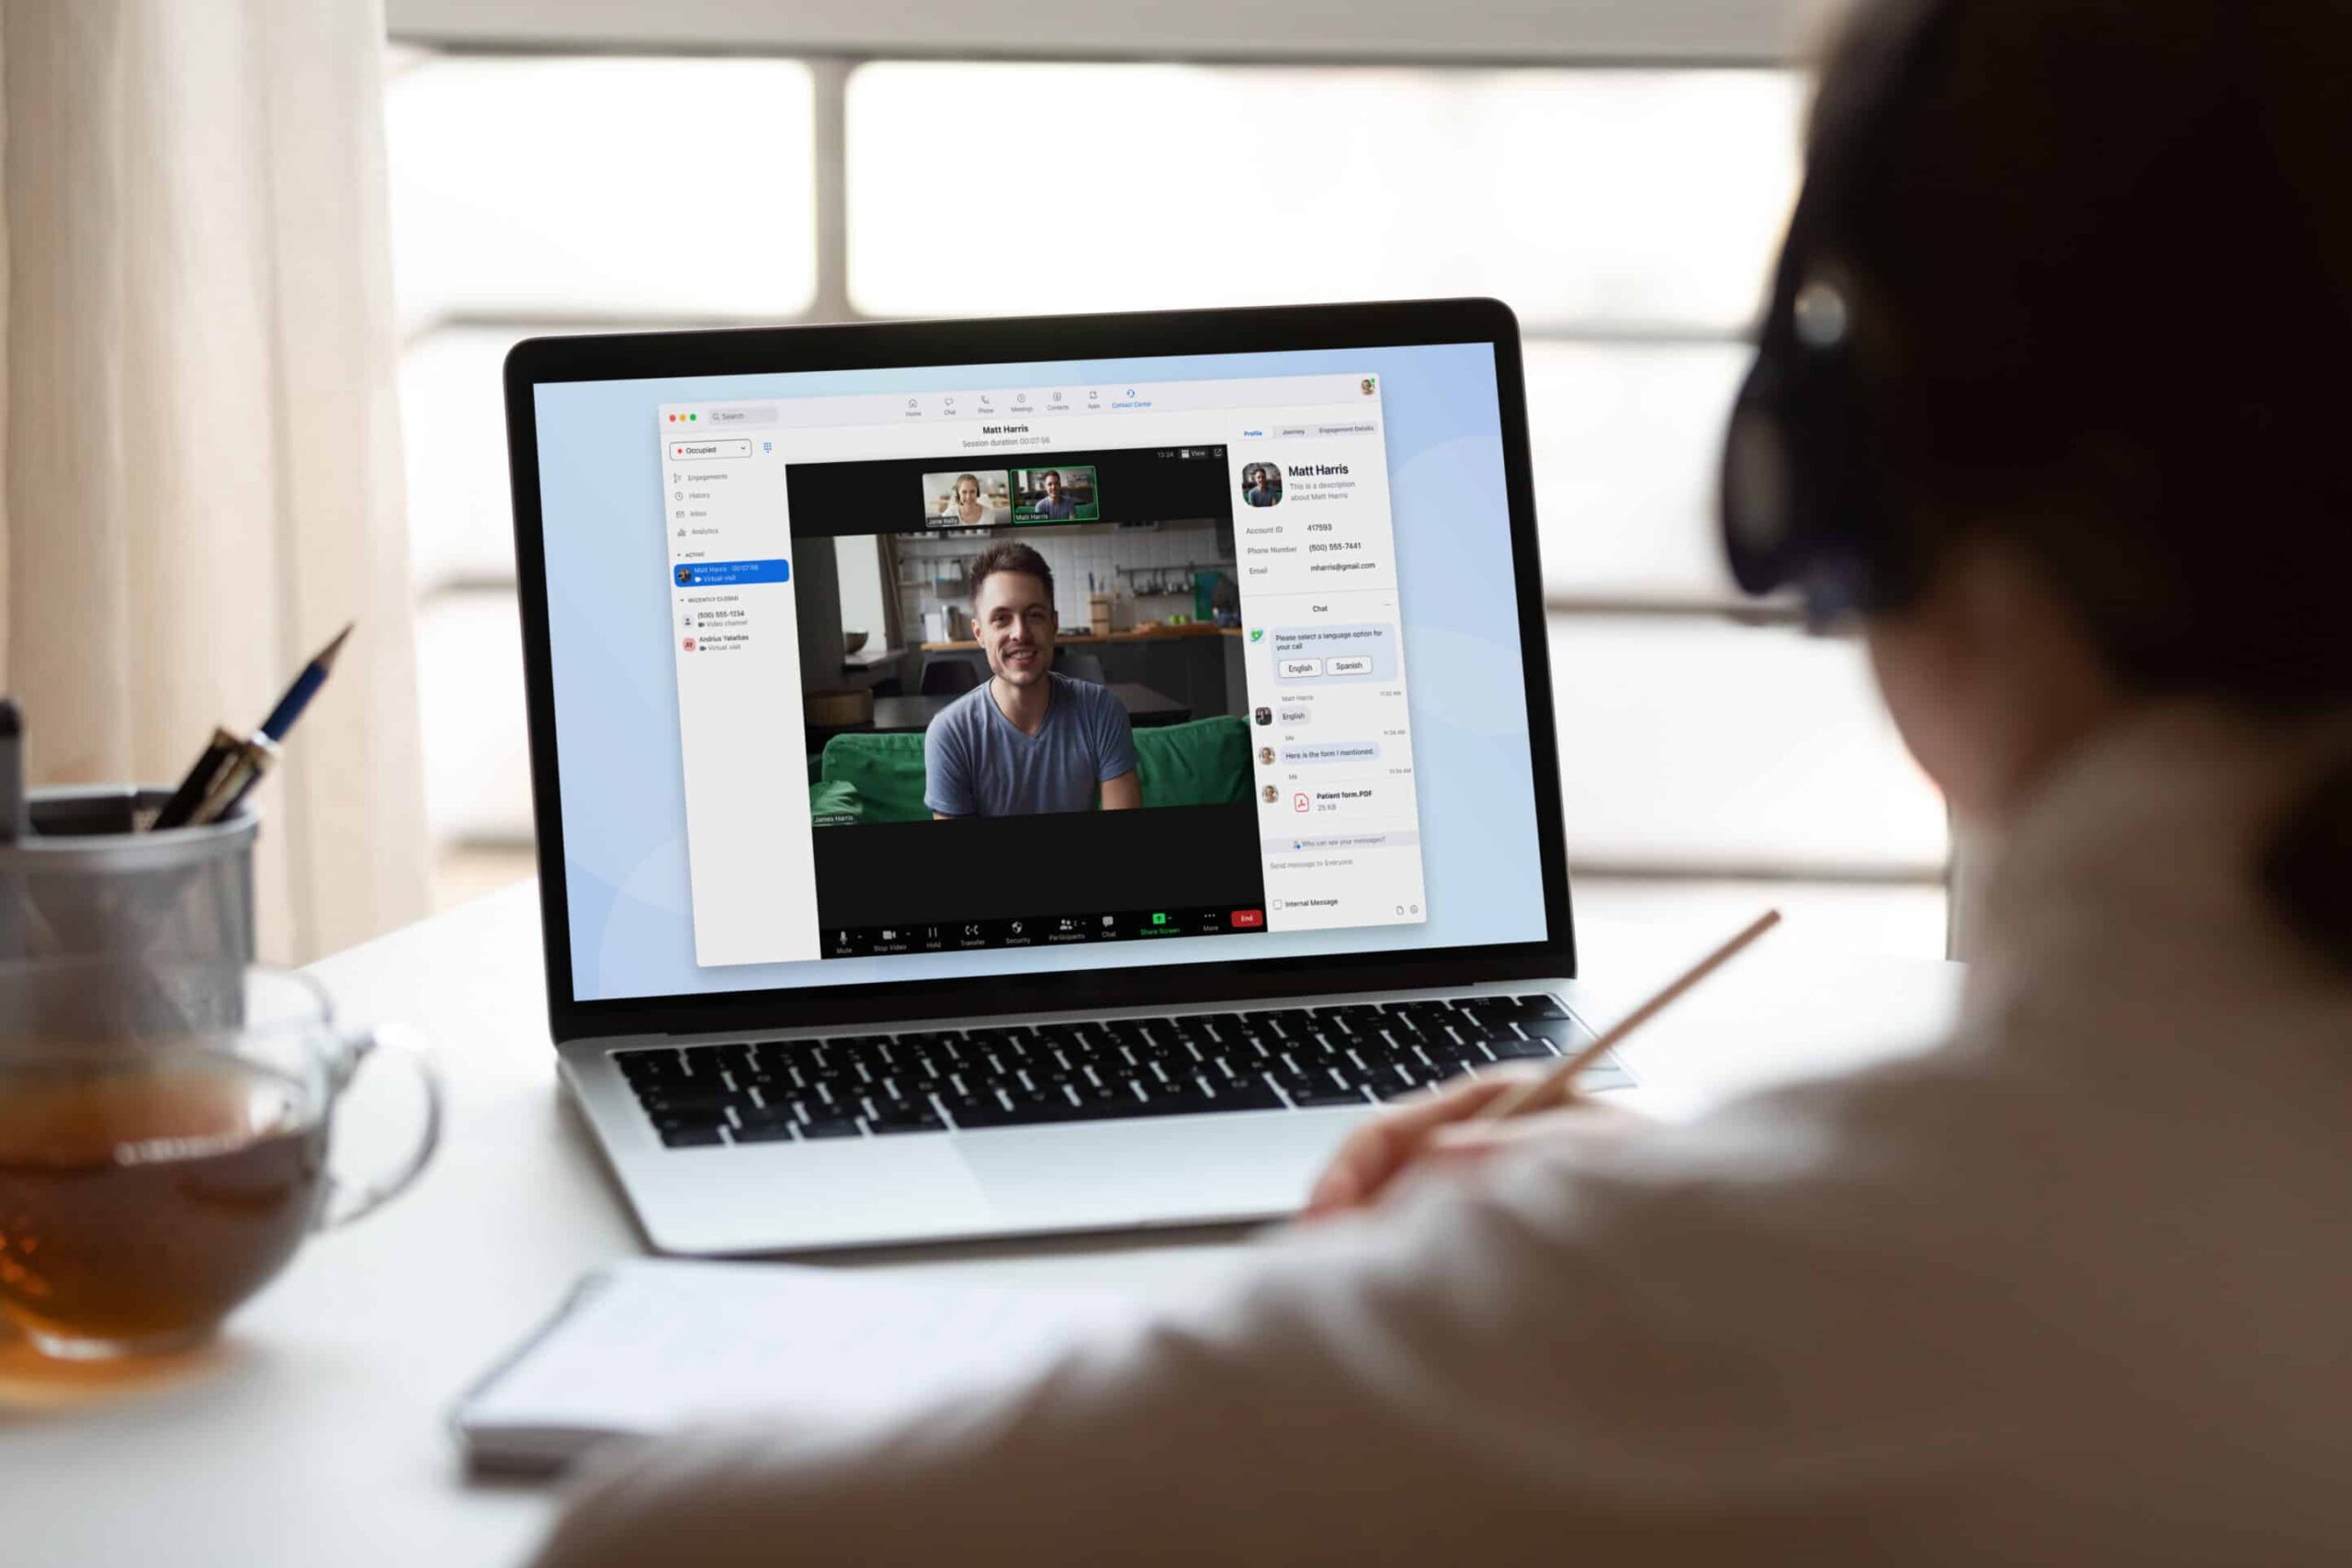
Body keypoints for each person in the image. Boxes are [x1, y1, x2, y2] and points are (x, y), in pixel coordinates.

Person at [535, 3, 2352, 1562]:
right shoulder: (1814, 1271)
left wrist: (1538, 1281)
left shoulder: (1712, 1302)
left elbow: (654, 1542)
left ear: (1848, 479)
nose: (1011, 641)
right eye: (989, 620)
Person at [922, 542, 1138, 818]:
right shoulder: (949, 734)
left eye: (1034, 615)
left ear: (1053, 624)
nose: (1020, 633)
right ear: (979, 633)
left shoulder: (1102, 711)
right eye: (1001, 618)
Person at [933, 472, 1000, 528]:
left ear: (978, 492)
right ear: (958, 494)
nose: (968, 497)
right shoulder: (948, 515)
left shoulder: (989, 513)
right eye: (964, 492)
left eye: (972, 491)